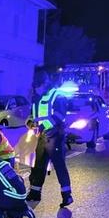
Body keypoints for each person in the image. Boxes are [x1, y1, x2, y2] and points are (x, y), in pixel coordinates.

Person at [26, 75, 74, 207]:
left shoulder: (57, 95)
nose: (35, 90)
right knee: (38, 166)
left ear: (44, 84)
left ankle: (67, 196)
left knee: (59, 166)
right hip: (41, 136)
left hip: (55, 136)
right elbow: (32, 115)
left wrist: (43, 126)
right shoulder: (37, 97)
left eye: (36, 87)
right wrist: (30, 123)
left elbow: (59, 116)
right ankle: (35, 193)